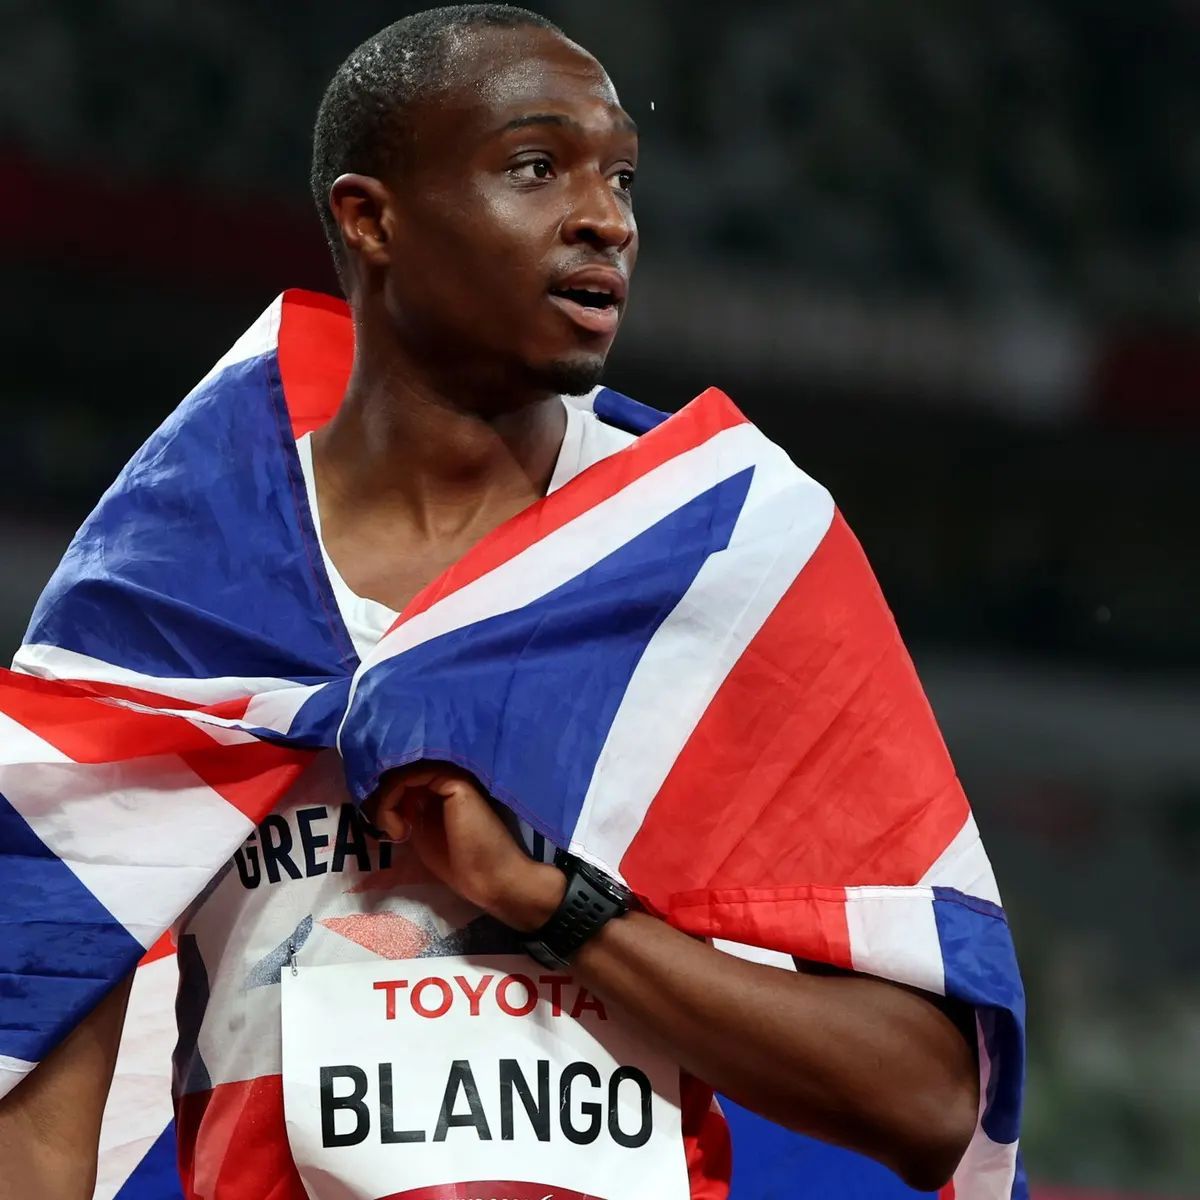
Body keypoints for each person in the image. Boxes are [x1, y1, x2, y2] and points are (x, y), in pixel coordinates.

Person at [0, 6, 981, 1198]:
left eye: (620, 174)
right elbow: (40, 1062)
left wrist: (557, 903)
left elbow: (930, 1102)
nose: (606, 217)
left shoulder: (723, 550)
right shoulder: (172, 586)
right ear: (372, 219)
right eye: (535, 167)